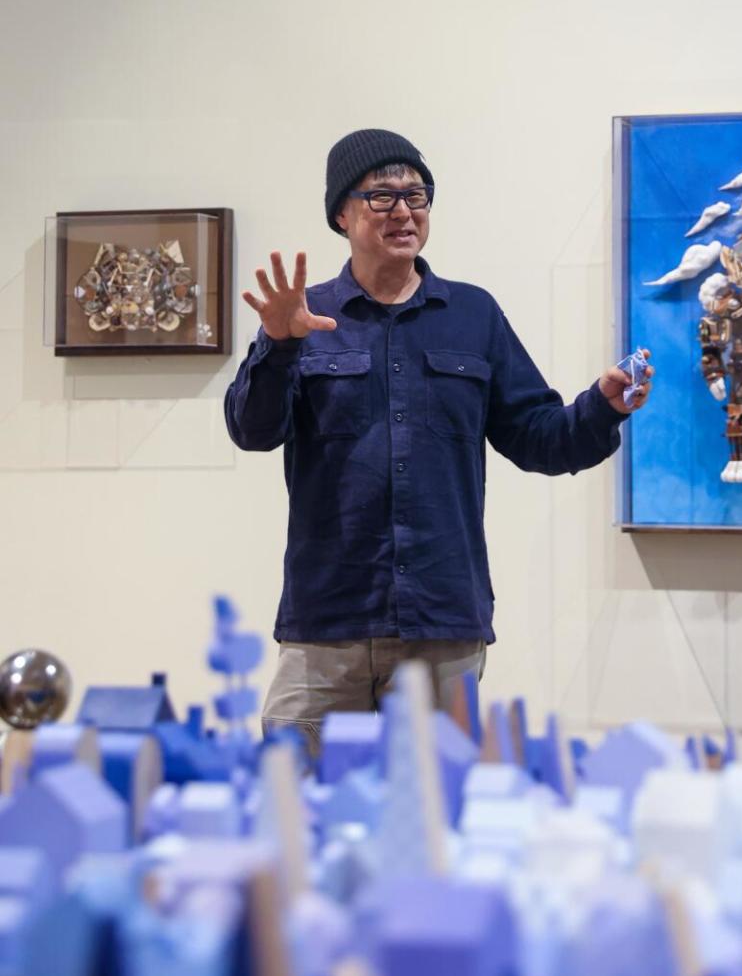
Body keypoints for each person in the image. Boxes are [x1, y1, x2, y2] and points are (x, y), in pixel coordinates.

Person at [224, 128, 654, 755]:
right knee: (297, 815)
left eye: (417, 194)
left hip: (442, 623)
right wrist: (280, 345)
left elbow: (538, 439)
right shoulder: (304, 316)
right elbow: (252, 430)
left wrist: (599, 408)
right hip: (327, 623)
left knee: (433, 823)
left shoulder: (472, 314)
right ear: (341, 214)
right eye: (381, 196)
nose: (404, 210)